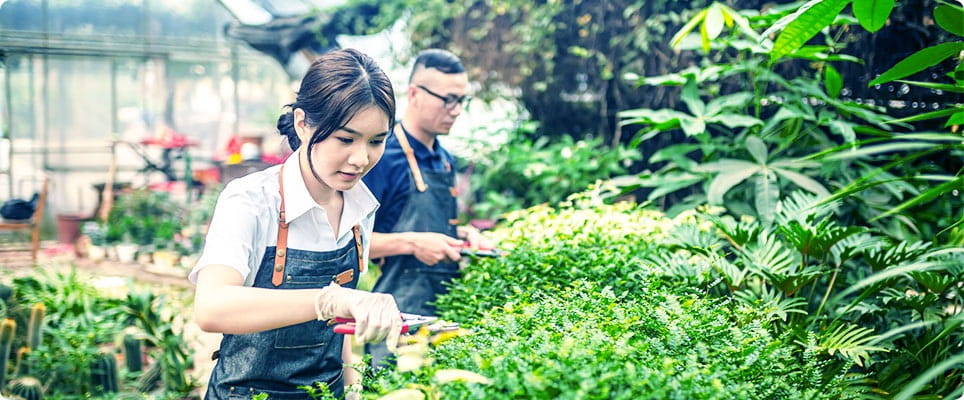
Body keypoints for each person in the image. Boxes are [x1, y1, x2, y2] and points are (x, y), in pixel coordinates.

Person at [189, 48, 403, 400]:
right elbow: (212, 307)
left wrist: (352, 387)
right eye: (345, 139)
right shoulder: (251, 200)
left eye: (377, 141)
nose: (361, 158)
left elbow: (339, 331)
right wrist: (329, 301)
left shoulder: (360, 205)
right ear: (303, 124)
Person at [363, 49, 491, 366]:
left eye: (463, 100)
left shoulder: (444, 159)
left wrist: (462, 235)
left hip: (446, 310)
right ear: (415, 94)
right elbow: (343, 242)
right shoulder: (381, 154)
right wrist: (412, 243)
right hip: (397, 312)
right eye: (448, 99)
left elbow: (434, 226)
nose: (457, 110)